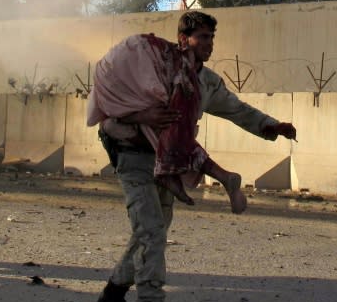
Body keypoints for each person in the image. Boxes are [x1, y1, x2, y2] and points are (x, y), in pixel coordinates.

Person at [88, 11, 297, 302]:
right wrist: (144, 116)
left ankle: (112, 295)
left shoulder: (207, 82)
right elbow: (112, 107)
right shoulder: (153, 67)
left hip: (168, 163)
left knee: (148, 232)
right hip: (133, 158)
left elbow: (237, 109)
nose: (209, 44)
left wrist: (271, 126)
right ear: (184, 38)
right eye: (202, 37)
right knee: (152, 231)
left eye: (212, 37)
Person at [87, 32, 242, 209]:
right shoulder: (122, 77)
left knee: (153, 228)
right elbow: (109, 112)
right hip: (142, 154)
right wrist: (141, 115)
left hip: (145, 156)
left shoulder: (159, 70)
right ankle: (219, 176)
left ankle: (200, 176)